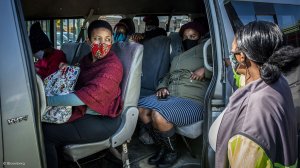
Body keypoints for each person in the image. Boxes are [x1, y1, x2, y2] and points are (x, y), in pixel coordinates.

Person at [215, 21, 299, 167]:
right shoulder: (277, 80)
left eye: (232, 52)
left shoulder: (250, 122)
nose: (232, 57)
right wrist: (230, 66)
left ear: (241, 57)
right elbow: (240, 77)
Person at [42, 20, 123, 168]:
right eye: (97, 39)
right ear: (88, 41)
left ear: (112, 41)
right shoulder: (87, 59)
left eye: (107, 39)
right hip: (87, 112)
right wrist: (69, 67)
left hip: (103, 118)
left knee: (47, 133)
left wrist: (47, 101)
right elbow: (79, 71)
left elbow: (88, 95)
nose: (103, 44)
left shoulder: (113, 66)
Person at [138, 21, 211, 167]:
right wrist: (162, 87)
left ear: (200, 36)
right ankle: (163, 147)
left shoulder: (207, 49)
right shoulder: (178, 57)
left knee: (159, 115)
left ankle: (172, 151)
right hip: (172, 96)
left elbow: (224, 65)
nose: (188, 39)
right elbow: (167, 76)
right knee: (141, 110)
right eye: (185, 36)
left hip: (193, 100)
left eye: (193, 35)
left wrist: (205, 69)